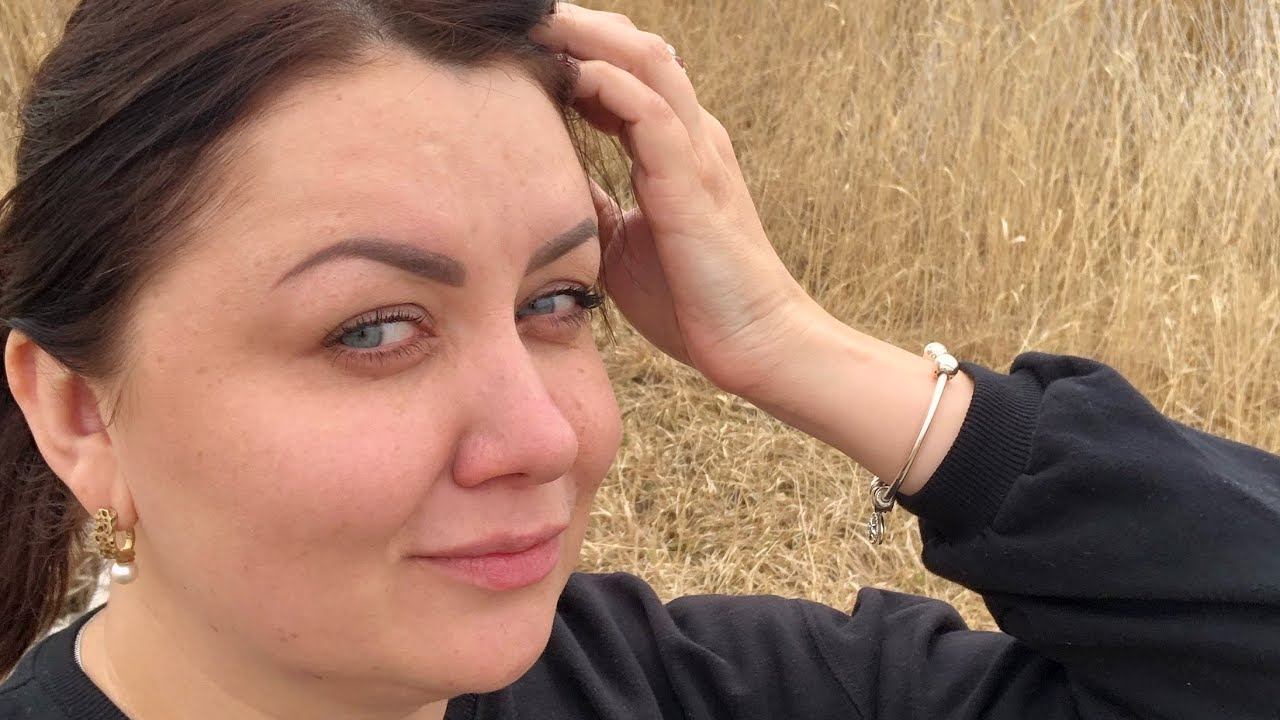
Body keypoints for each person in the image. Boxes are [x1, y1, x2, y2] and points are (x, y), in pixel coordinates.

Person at [0, 1, 1275, 718]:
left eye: (557, 300)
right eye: (373, 328)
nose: (544, 438)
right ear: (78, 415)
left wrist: (788, 342)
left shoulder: (685, 693)